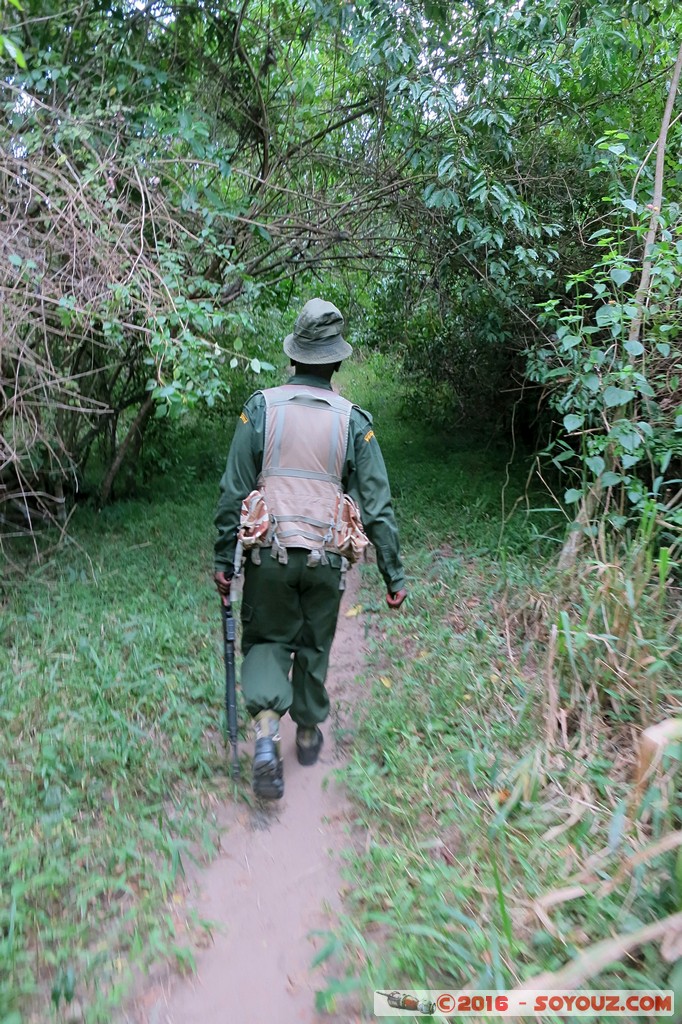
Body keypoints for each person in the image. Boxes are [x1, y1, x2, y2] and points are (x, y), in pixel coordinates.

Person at [214, 298, 407, 799]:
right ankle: (305, 732)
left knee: (266, 640)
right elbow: (378, 505)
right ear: (337, 361)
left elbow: (232, 492)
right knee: (314, 643)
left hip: (267, 559)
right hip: (325, 560)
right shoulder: (354, 421)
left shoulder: (260, 408)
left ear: (294, 355)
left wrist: (223, 561)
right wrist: (393, 576)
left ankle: (265, 737)